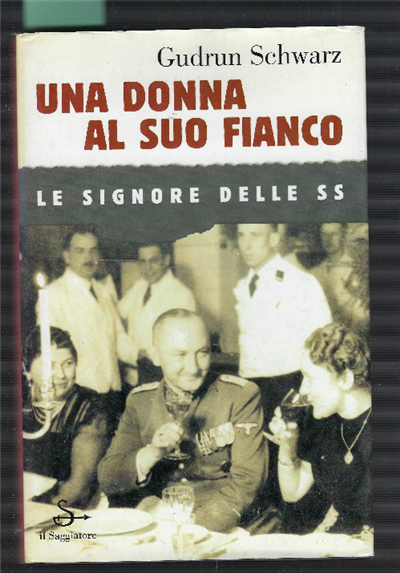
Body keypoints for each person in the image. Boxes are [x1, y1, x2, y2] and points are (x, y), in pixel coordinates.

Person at [98, 309, 267, 533]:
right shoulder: (140, 400)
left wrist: (188, 531)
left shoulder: (240, 396)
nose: (194, 367)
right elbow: (108, 478)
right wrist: (152, 453)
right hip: (163, 519)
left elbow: (247, 484)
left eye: (202, 352)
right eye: (180, 354)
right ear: (155, 355)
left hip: (225, 523)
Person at [270, 323, 372, 534]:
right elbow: (292, 492)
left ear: (345, 379)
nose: (302, 390)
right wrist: (288, 444)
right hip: (341, 540)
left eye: (310, 378)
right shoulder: (321, 420)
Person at [234, 224, 332, 425]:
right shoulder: (244, 285)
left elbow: (324, 343)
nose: (247, 245)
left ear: (273, 239)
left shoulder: (300, 282)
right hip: (250, 387)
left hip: (287, 387)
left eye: (255, 235)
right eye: (241, 235)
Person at [36, 227, 138, 406]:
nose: (88, 257)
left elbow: (119, 338)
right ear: (67, 256)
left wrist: (144, 355)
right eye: (80, 250)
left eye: (93, 250)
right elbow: (49, 352)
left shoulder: (102, 290)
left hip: (112, 391)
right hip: (79, 395)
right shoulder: (53, 294)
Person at [23, 327, 110, 509]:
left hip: (64, 511)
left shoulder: (91, 412)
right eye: (50, 365)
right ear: (27, 369)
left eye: (68, 363)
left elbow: (77, 490)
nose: (62, 375)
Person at [118, 243, 196, 384]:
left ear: (166, 260)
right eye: (142, 262)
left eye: (153, 261)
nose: (147, 268)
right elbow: (117, 317)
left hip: (160, 376)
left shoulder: (181, 295)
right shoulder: (140, 286)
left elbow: (179, 345)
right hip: (132, 375)